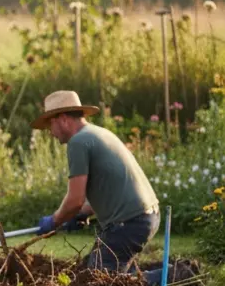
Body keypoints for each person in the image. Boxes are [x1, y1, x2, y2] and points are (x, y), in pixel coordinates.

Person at [32, 90, 160, 272]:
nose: (51, 133)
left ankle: (177, 275)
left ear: (63, 119)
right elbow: (107, 189)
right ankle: (163, 276)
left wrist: (54, 221)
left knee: (99, 280)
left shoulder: (78, 142)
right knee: (97, 272)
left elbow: (75, 200)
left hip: (129, 222)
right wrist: (80, 214)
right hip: (145, 216)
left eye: (50, 125)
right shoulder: (97, 133)